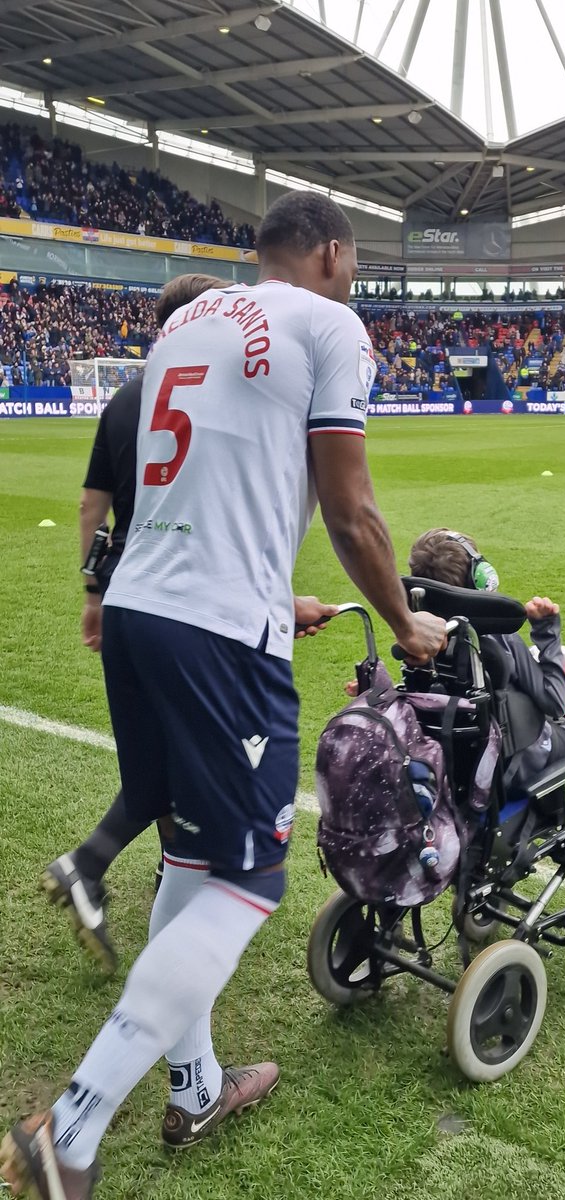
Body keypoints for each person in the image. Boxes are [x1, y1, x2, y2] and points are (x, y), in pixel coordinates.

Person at [0, 191, 446, 1200]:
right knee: (249, 882)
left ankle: (196, 1085)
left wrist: (266, 592)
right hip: (215, 639)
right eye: (357, 258)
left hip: (139, 614)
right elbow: (350, 506)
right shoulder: (332, 324)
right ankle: (69, 1131)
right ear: (332, 252)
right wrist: (406, 623)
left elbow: (191, 495)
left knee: (193, 859)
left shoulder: (186, 325)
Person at [42, 273, 338, 975]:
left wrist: (93, 591)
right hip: (201, 610)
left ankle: (113, 871)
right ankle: (168, 898)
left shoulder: (122, 398)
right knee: (205, 771)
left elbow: (92, 505)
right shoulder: (223, 389)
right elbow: (227, 516)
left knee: (157, 765)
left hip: (129, 602)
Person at [407, 528, 565, 790]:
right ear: (479, 578)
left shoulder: (417, 645)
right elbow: (555, 703)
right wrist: (547, 632)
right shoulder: (497, 640)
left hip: (460, 769)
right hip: (522, 764)